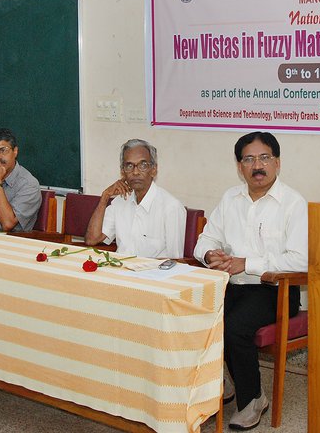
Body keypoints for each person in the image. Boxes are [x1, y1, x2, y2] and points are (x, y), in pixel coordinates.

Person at [194, 131, 307, 430]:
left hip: (275, 291)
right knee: (195, 315)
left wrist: (249, 264)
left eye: (264, 158)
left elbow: (300, 260)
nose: (257, 165)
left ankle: (252, 399)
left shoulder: (294, 204)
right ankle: (219, 386)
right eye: (249, 159)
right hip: (232, 286)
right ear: (240, 166)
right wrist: (210, 255)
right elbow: (204, 239)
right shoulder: (230, 198)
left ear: (278, 163)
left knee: (233, 328)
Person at [85, 139, 186, 257]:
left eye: (143, 165)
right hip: (120, 270)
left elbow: (176, 260)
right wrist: (105, 197)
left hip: (153, 273)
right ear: (123, 172)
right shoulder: (120, 201)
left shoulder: (171, 207)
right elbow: (92, 239)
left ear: (153, 170)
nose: (135, 172)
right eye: (129, 166)